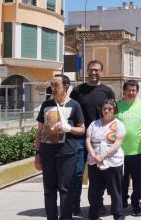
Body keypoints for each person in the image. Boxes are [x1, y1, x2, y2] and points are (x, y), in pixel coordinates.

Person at [35, 74, 85, 220]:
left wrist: (68, 128)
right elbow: (39, 131)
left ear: (66, 87)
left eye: (57, 85)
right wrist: (37, 153)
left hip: (67, 154)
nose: (53, 88)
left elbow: (82, 129)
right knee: (49, 190)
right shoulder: (46, 105)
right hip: (47, 154)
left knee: (65, 189)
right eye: (52, 85)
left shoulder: (74, 105)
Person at [70, 59, 115, 215]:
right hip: (80, 139)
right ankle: (74, 204)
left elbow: (112, 114)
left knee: (99, 174)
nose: (94, 72)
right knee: (77, 173)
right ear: (86, 71)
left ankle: (98, 203)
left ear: (101, 71)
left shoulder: (107, 91)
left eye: (97, 70)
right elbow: (70, 113)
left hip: (100, 139)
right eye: (91, 70)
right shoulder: (77, 91)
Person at [86, 98, 126, 220]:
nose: (107, 111)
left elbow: (117, 143)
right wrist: (93, 154)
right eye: (104, 109)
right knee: (94, 192)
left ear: (114, 111)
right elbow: (88, 139)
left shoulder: (119, 125)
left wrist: (103, 156)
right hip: (94, 160)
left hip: (113, 161)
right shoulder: (94, 124)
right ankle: (94, 215)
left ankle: (118, 216)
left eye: (110, 109)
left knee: (115, 192)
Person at [115, 80, 141, 216]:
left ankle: (136, 202)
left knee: (139, 182)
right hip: (119, 152)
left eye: (134, 90)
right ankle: (122, 202)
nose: (131, 92)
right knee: (121, 182)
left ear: (137, 91)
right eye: (129, 90)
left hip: (138, 151)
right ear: (124, 90)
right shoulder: (117, 106)